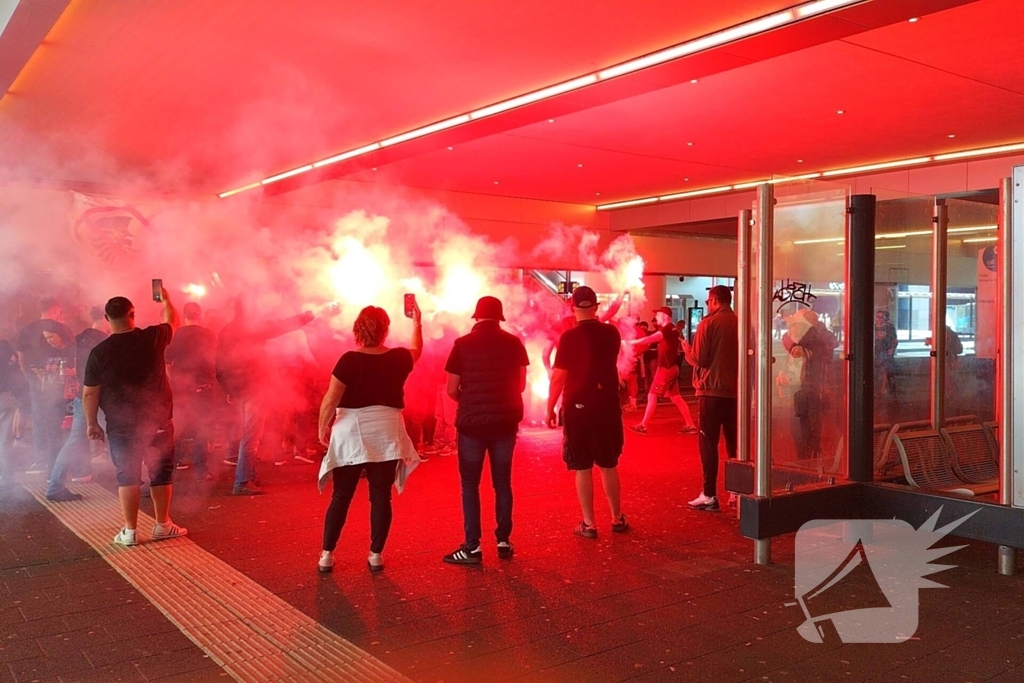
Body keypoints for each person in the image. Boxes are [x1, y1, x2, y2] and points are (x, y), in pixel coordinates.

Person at [316, 304, 422, 574]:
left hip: (351, 430)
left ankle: (327, 554)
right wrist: (417, 323)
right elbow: (416, 351)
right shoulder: (398, 358)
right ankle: (376, 554)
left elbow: (331, 399)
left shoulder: (349, 360)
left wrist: (322, 427)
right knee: (380, 497)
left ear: (358, 329)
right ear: (385, 329)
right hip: (386, 430)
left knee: (341, 495)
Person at [84, 292, 187, 546]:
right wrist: (165, 301)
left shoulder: (99, 352)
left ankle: (129, 531)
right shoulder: (151, 338)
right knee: (161, 472)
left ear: (107, 318)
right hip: (158, 419)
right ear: (133, 314)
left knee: (127, 475)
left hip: (121, 425)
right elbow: (174, 321)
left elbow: (90, 392)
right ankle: (162, 524)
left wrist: (91, 423)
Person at [442, 296, 530, 564]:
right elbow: (521, 385)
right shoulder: (514, 343)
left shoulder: (462, 345)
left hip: (471, 425)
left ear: (476, 317)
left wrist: (470, 402)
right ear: (499, 317)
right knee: (502, 482)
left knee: (470, 484)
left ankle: (472, 547)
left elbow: (450, 389)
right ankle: (503, 541)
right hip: (505, 423)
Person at [546, 286, 628, 538]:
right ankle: (616, 518)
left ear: (572, 307)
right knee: (608, 463)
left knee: (582, 466)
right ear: (596, 306)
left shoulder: (569, 337)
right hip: (607, 404)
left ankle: (589, 523)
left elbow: (559, 377)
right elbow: (600, 335)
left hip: (578, 405)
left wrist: (550, 407)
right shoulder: (611, 333)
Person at [215, 299, 315, 496]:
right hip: (253, 387)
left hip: (238, 389)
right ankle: (242, 481)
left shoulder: (226, 330)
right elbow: (279, 327)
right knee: (252, 436)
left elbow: (219, 363)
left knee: (248, 433)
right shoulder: (250, 328)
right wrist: (305, 317)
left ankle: (249, 476)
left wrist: (227, 389)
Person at [681, 286, 738, 511]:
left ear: (714, 300)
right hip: (736, 392)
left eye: (707, 301)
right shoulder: (741, 322)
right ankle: (737, 492)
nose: (707, 305)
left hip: (711, 392)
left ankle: (709, 494)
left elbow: (699, 359)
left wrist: (686, 349)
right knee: (735, 444)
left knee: (708, 445)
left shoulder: (708, 324)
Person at [45, 306, 110, 501]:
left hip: (83, 397)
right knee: (120, 437)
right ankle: (135, 481)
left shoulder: (80, 342)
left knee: (74, 440)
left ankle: (55, 485)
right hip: (100, 398)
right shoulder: (102, 343)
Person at [16, 298, 75, 474]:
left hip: (38, 382)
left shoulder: (26, 330)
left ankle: (42, 460)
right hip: (62, 383)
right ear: (56, 309)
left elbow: (21, 359)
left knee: (40, 420)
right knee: (64, 422)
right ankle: (64, 461)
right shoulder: (63, 328)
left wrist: (30, 378)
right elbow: (73, 352)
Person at [165, 302, 217, 480]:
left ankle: (170, 471)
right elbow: (215, 361)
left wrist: (174, 380)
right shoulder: (209, 335)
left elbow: (166, 362)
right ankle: (201, 471)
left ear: (184, 315)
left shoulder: (176, 335)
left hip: (181, 391)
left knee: (177, 429)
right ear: (200, 314)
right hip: (203, 390)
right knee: (201, 430)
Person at [627, 307, 697, 435]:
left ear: (665, 316)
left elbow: (651, 339)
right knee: (676, 398)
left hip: (666, 368)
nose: (656, 317)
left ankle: (643, 425)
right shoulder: (673, 328)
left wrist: (631, 342)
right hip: (672, 368)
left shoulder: (667, 329)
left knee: (652, 395)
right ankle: (690, 424)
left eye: (658, 314)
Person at [782, 309, 838, 461]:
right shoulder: (806, 339)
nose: (792, 328)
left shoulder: (810, 339)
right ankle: (811, 453)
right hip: (809, 387)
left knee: (806, 422)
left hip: (808, 387)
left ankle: (808, 455)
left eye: (795, 324)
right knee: (808, 422)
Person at [0, 339, 29, 488]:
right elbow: (14, 367)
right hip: (3, 395)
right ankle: (6, 478)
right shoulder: (3, 345)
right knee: (4, 439)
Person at [873, 310, 897, 398]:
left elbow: (895, 340)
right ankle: (876, 391)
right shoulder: (873, 327)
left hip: (886, 352)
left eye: (881, 317)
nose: (879, 319)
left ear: (885, 318)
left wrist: (892, 349)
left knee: (888, 373)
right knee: (876, 373)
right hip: (875, 353)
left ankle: (891, 393)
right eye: (877, 317)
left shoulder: (890, 328)